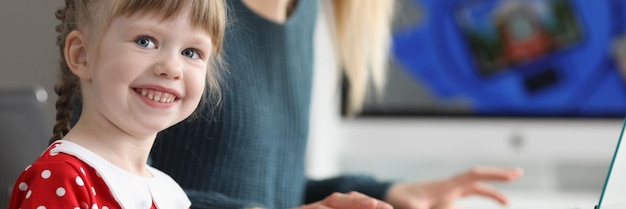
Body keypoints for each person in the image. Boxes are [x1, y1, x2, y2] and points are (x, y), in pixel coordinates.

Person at [150, 0, 523, 209]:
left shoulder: (304, 10)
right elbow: (116, 189)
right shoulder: (180, 11)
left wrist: (386, 194)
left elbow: (272, 190)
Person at [8, 0, 228, 208]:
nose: (171, 68)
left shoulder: (170, 194)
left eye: (191, 52)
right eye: (145, 41)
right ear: (81, 55)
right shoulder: (60, 179)